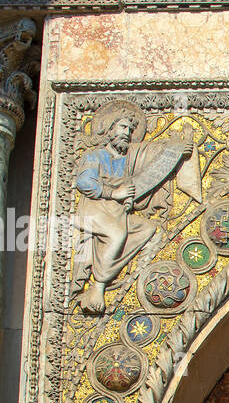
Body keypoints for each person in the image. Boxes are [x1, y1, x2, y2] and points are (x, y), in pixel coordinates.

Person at [73, 101, 197, 313]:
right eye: (122, 128)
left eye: (130, 130)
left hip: (117, 212)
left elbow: (150, 159)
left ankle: (132, 275)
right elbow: (84, 183)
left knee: (149, 228)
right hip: (94, 210)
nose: (127, 133)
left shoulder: (126, 160)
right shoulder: (96, 156)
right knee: (117, 234)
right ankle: (99, 286)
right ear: (110, 129)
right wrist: (114, 192)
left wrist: (177, 150)